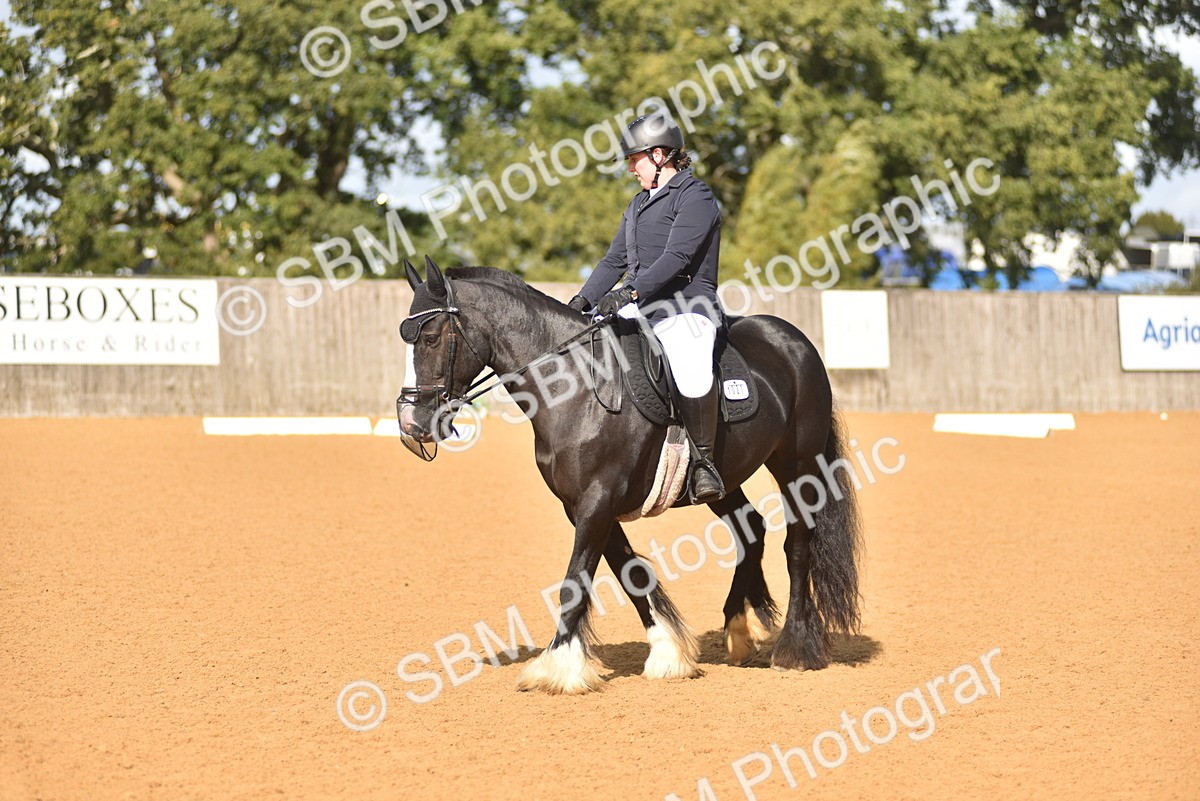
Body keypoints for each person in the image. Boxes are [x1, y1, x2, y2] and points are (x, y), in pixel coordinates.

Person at [566, 113, 726, 503]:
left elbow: (678, 255)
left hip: (687, 307)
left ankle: (704, 463)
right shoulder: (638, 205)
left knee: (688, 363)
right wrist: (580, 303)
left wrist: (629, 293)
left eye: (634, 159)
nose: (630, 168)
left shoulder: (695, 195)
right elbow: (612, 261)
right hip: (640, 305)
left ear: (659, 155)